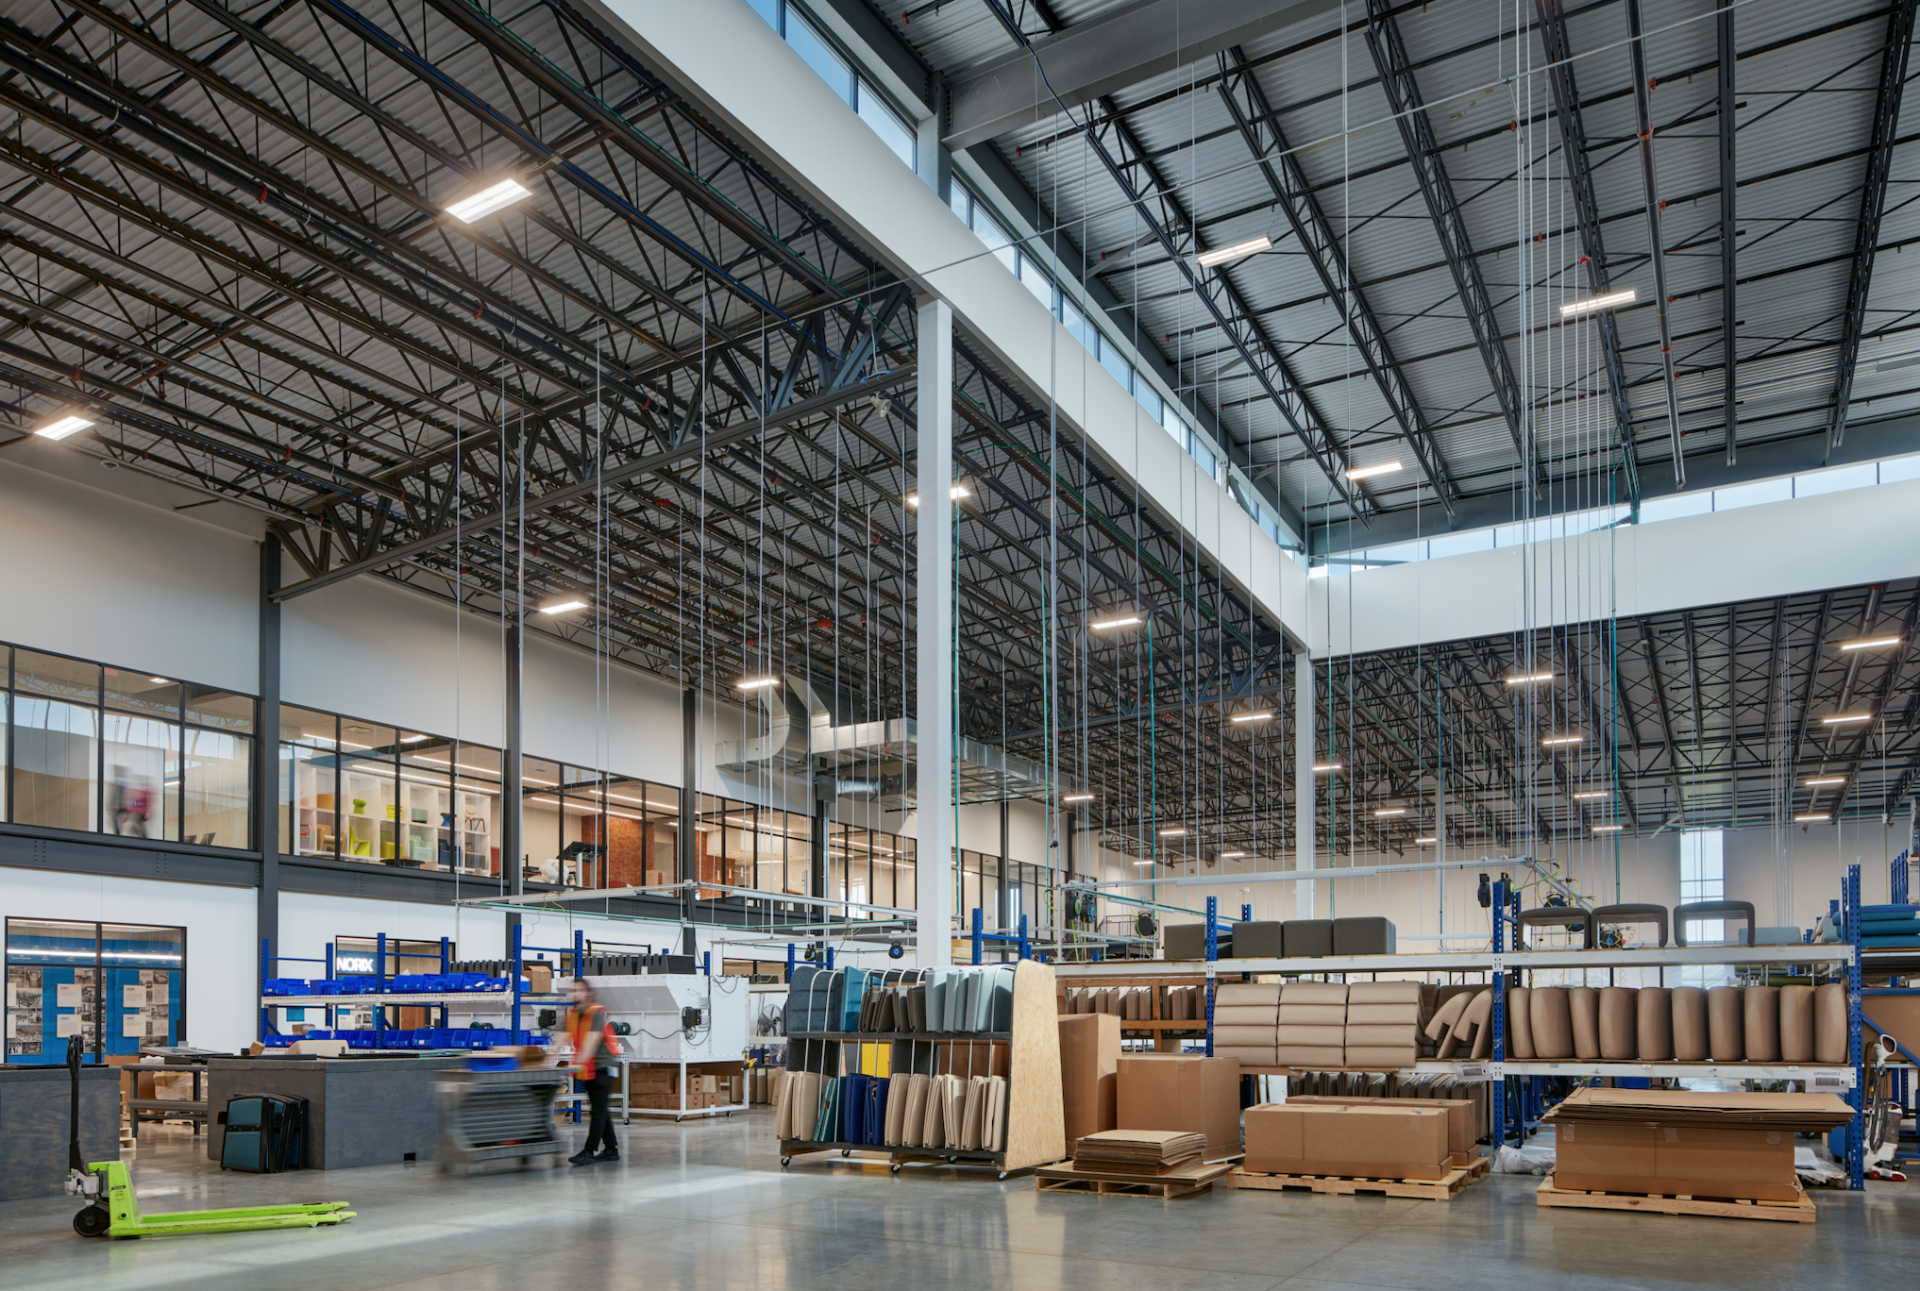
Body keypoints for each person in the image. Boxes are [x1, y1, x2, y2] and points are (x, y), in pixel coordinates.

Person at [561, 977, 619, 1165]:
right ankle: (611, 1150)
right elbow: (563, 1037)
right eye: (573, 990)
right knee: (600, 1110)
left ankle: (589, 1151)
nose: (574, 993)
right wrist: (547, 1059)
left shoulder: (594, 1013)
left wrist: (579, 1062)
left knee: (598, 1112)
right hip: (589, 1068)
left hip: (603, 1068)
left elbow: (592, 1041)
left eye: (578, 990)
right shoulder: (574, 1014)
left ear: (588, 994)